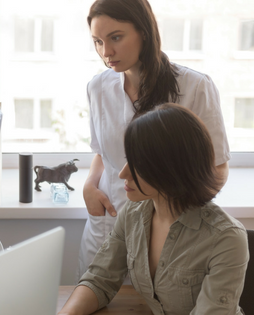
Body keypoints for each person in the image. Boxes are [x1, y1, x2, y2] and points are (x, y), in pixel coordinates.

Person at [77, 0, 231, 281]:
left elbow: (217, 169)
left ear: (144, 32)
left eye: (116, 37)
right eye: (97, 41)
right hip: (107, 228)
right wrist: (89, 185)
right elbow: (104, 153)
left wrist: (171, 217)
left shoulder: (194, 87)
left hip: (168, 238)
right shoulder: (98, 88)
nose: (105, 52)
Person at [59, 103, 248, 315]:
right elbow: (99, 279)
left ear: (171, 168)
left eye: (138, 164)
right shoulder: (133, 212)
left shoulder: (226, 238)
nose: (122, 173)